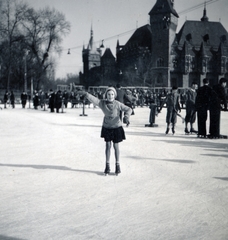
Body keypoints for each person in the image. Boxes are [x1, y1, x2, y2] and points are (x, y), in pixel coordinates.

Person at [78, 87, 132, 175]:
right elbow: (94, 100)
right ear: (106, 95)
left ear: (114, 95)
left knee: (116, 145)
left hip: (116, 127)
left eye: (112, 94)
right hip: (107, 127)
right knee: (108, 145)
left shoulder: (118, 104)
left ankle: (117, 165)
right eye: (108, 94)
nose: (110, 96)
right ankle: (107, 165)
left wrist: (126, 117)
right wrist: (86, 94)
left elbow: (129, 109)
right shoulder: (102, 103)